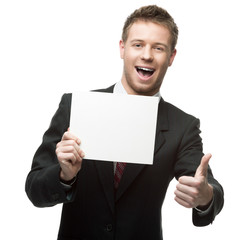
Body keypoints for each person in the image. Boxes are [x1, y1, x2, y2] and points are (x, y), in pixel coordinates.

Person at [25, 5, 224, 240]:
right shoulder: (75, 106)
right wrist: (64, 175)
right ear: (122, 48)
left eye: (158, 48)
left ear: (171, 57)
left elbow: (207, 185)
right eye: (138, 44)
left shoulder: (183, 126)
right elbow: (35, 189)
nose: (147, 55)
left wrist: (205, 196)